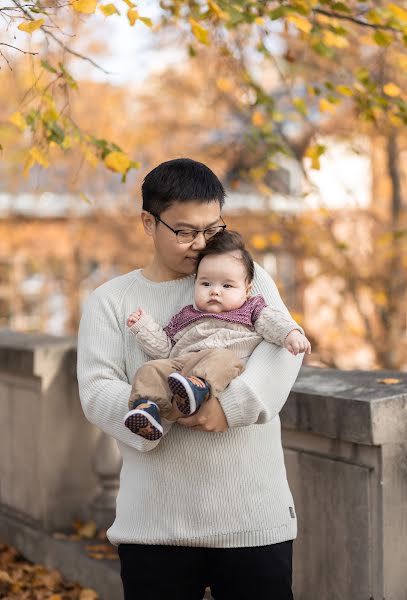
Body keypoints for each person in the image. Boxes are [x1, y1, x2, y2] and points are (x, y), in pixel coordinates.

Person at [77, 158, 305, 600]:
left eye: (212, 229)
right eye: (185, 232)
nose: (201, 244)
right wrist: (164, 412)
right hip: (154, 525)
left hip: (251, 518)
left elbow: (284, 349)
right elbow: (96, 389)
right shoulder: (110, 300)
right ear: (149, 222)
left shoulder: (243, 279)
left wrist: (227, 408)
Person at [123, 230, 311, 441]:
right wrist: (143, 327)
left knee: (221, 358)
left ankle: (198, 386)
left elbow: (273, 321)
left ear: (247, 290)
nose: (215, 291)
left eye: (227, 285)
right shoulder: (186, 315)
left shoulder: (251, 308)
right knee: (151, 369)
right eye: (206, 284)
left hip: (227, 362)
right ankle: (148, 409)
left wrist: (291, 333)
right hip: (183, 363)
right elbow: (165, 348)